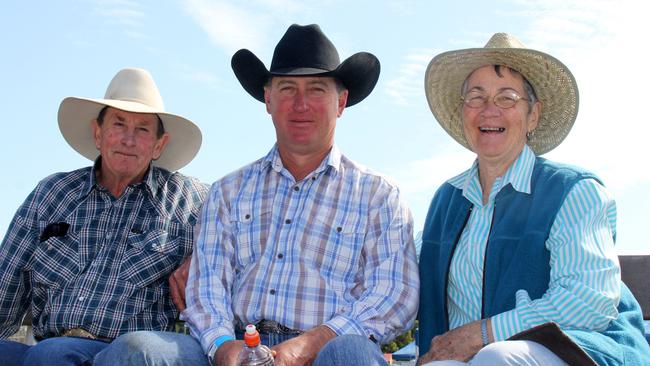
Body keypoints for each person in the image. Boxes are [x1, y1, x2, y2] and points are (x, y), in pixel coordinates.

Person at [109, 24, 419, 366]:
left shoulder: (379, 195)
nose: (300, 104)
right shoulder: (228, 191)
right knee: (139, 351)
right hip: (239, 344)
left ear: (341, 101)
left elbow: (394, 295)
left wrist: (313, 342)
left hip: (329, 349)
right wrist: (226, 347)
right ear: (268, 100)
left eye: (316, 89)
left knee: (352, 353)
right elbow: (207, 287)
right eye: (287, 88)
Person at [417, 33, 650, 365]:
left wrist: (480, 334)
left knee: (498, 356)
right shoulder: (447, 199)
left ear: (533, 115)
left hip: (580, 353)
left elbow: (587, 301)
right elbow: (404, 279)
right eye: (476, 97)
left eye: (507, 98)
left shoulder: (575, 190)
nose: (489, 110)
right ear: (463, 111)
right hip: (471, 360)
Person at [0, 67, 209, 366]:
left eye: (143, 129)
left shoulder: (192, 201)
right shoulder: (52, 193)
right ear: (98, 134)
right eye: (119, 124)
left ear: (158, 145)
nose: (128, 139)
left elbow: (239, 227)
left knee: (52, 354)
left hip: (126, 350)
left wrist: (200, 255)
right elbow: (5, 284)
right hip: (47, 345)